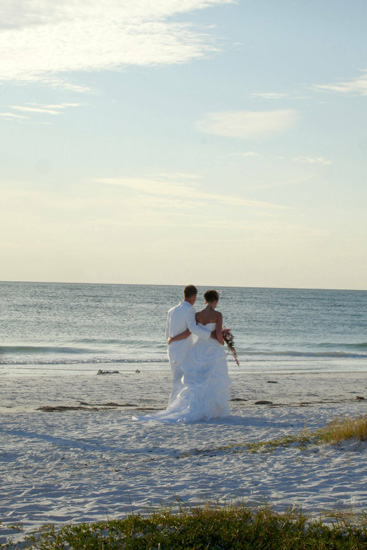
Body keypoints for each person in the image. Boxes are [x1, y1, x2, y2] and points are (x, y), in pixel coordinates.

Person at [140, 289, 231, 423]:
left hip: (196, 348)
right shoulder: (216, 314)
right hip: (209, 348)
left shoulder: (196, 314)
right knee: (212, 377)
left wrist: (171, 340)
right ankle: (209, 407)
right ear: (215, 301)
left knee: (196, 378)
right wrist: (223, 341)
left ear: (205, 300)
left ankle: (182, 404)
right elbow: (215, 334)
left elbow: (191, 330)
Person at [165, 284, 214, 404]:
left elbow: (167, 332)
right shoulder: (189, 310)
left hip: (171, 350)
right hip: (183, 350)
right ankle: (176, 405)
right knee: (182, 379)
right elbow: (192, 330)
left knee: (176, 378)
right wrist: (209, 335)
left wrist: (171, 341)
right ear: (193, 296)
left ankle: (175, 403)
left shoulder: (171, 310)